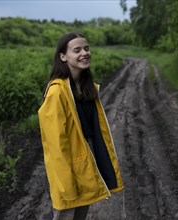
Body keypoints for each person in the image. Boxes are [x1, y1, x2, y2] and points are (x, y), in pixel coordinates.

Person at [38, 32, 124, 220]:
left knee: (81, 215)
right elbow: (55, 146)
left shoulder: (87, 87)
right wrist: (65, 184)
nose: (84, 53)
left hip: (86, 159)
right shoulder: (57, 92)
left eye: (86, 48)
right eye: (77, 50)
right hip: (68, 166)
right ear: (63, 57)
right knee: (66, 213)